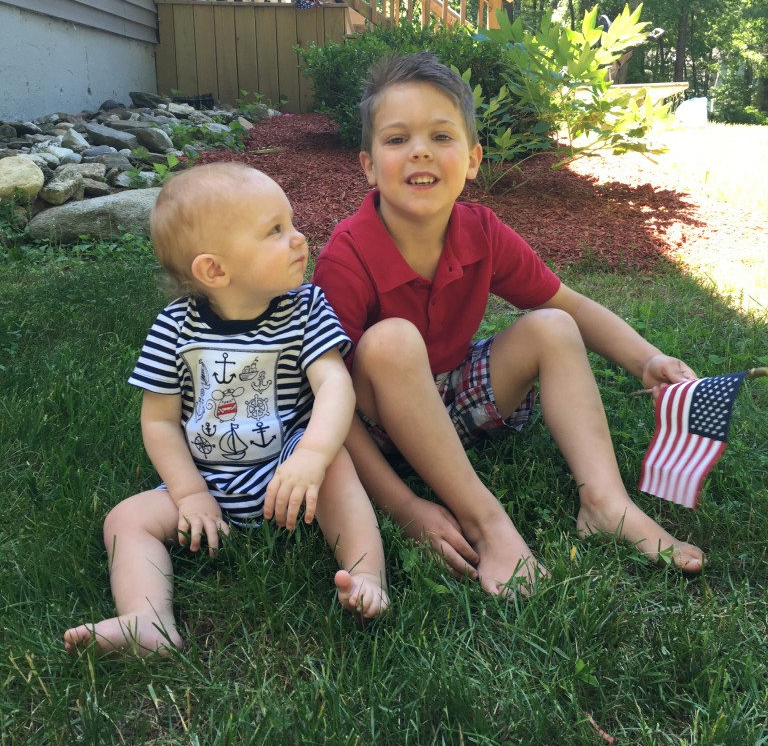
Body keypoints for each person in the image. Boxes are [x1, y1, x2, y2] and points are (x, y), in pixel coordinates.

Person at [313, 51, 704, 595]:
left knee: (554, 325)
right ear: (369, 166)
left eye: (441, 137)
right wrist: (404, 506)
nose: (420, 149)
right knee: (390, 342)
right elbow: (322, 400)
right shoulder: (347, 257)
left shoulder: (482, 230)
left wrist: (647, 359)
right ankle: (488, 524)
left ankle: (605, 501)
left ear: (472, 160)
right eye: (397, 139)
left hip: (456, 400)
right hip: (379, 428)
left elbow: (572, 305)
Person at [65, 163, 388, 657]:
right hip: (206, 481)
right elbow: (158, 420)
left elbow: (335, 385)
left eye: (292, 223)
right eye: (275, 231)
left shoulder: (305, 308)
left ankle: (366, 575)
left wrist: (313, 457)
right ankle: (149, 620)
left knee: (339, 465)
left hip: (289, 473)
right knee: (125, 519)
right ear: (214, 269)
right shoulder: (175, 327)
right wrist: (190, 493)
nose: (300, 238)